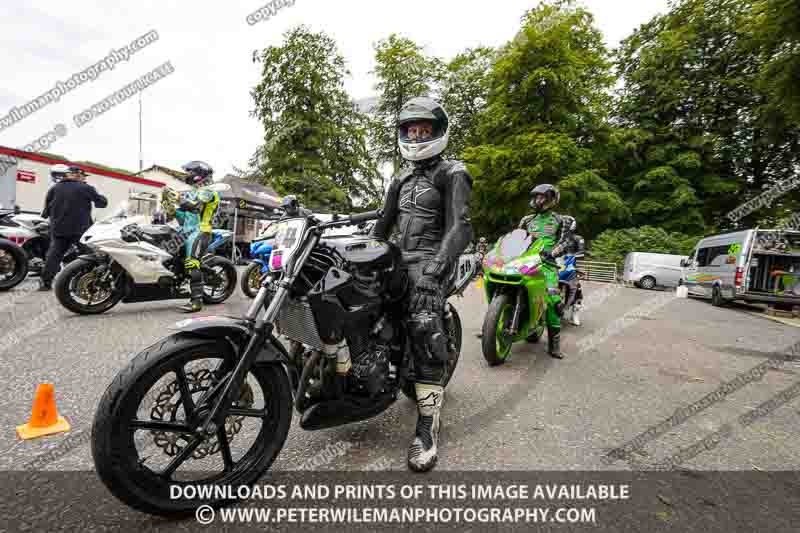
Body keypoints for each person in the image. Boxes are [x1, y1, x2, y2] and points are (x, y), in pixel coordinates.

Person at [372, 96, 473, 473]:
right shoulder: (399, 176)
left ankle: (428, 427)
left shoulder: (453, 173)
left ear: (438, 132)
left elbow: (460, 226)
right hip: (399, 257)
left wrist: (434, 272)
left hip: (432, 260)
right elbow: (383, 224)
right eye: (410, 130)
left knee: (424, 326)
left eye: (423, 130)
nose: (415, 136)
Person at [517, 184, 576, 358]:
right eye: (536, 197)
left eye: (542, 197)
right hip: (525, 262)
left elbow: (566, 242)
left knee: (553, 299)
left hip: (548, 264)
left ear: (551, 199)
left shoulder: (561, 220)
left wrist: (552, 253)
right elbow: (516, 238)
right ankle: (491, 325)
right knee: (503, 283)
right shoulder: (526, 220)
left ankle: (554, 345)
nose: (538, 200)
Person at [39, 164, 107, 290]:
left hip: (58, 229)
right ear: (78, 174)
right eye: (83, 176)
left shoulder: (54, 188)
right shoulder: (85, 187)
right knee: (88, 255)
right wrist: (99, 195)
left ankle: (45, 283)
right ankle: (91, 282)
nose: (84, 178)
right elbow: (101, 203)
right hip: (80, 229)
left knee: (54, 255)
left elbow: (46, 211)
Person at [166, 161, 221, 313]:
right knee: (172, 257)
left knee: (191, 264)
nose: (187, 175)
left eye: (189, 172)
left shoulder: (209, 190)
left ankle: (196, 301)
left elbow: (195, 207)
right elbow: (185, 216)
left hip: (200, 231)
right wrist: (171, 209)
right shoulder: (193, 192)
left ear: (198, 174)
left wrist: (178, 198)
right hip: (186, 231)